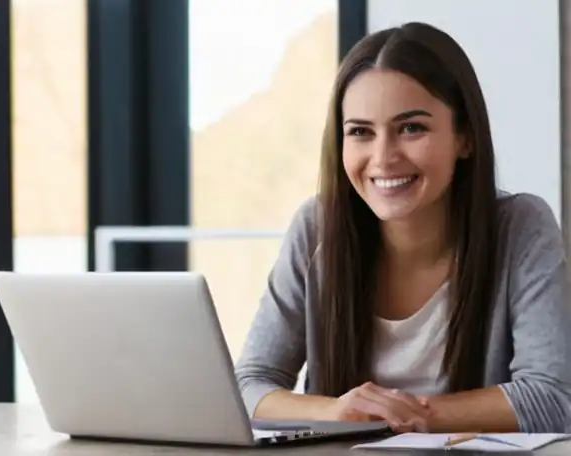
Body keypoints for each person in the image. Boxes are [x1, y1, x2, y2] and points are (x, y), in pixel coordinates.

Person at [234, 21, 571, 434]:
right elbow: (248, 386)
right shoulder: (316, 228)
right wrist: (337, 413)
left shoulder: (520, 227)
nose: (383, 158)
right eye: (360, 132)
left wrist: (409, 415)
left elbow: (554, 398)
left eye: (412, 128)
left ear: (464, 137)